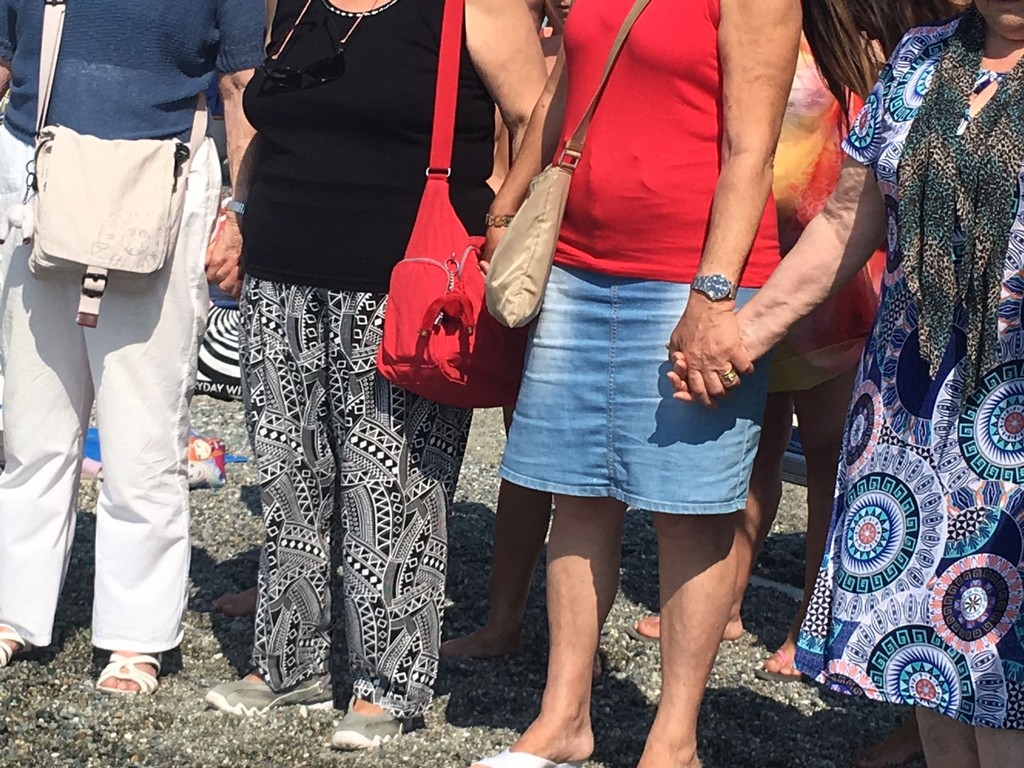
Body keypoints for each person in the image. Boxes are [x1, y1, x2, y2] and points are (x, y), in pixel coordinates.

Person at [673, 1, 1024, 764]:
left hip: (1010, 431)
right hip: (907, 421)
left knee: (1003, 682)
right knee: (928, 665)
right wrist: (742, 335)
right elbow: (844, 221)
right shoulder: (919, 60)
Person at [204, 0, 547, 750]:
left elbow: (538, 113)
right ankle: (286, 660)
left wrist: (505, 215)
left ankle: (389, 683)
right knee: (289, 478)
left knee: (395, 489)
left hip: (409, 291)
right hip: (280, 275)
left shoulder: (470, 5)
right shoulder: (296, 5)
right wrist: (238, 211)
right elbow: (269, 127)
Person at [472, 0, 800, 765]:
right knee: (576, 492)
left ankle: (673, 740)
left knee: (690, 510)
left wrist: (713, 295)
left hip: (693, 277)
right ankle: (564, 719)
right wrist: (508, 201)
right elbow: (563, 91)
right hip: (577, 267)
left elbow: (752, 149)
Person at [628, 0, 956, 688]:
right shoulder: (742, 17)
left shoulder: (848, 35)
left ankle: (813, 615)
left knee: (830, 454)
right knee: (752, 447)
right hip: (748, 265)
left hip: (825, 273)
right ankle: (725, 601)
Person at [0, 0, 263, 693]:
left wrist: (241, 213)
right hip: (35, 168)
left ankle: (136, 634)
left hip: (163, 177)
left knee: (143, 424)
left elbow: (241, 84)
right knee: (32, 418)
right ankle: (13, 610)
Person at [442, 0, 569, 663]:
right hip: (510, 242)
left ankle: (538, 625)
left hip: (555, 243)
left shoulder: (536, 42)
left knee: (545, 441)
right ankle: (506, 619)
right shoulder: (524, 39)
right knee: (527, 445)